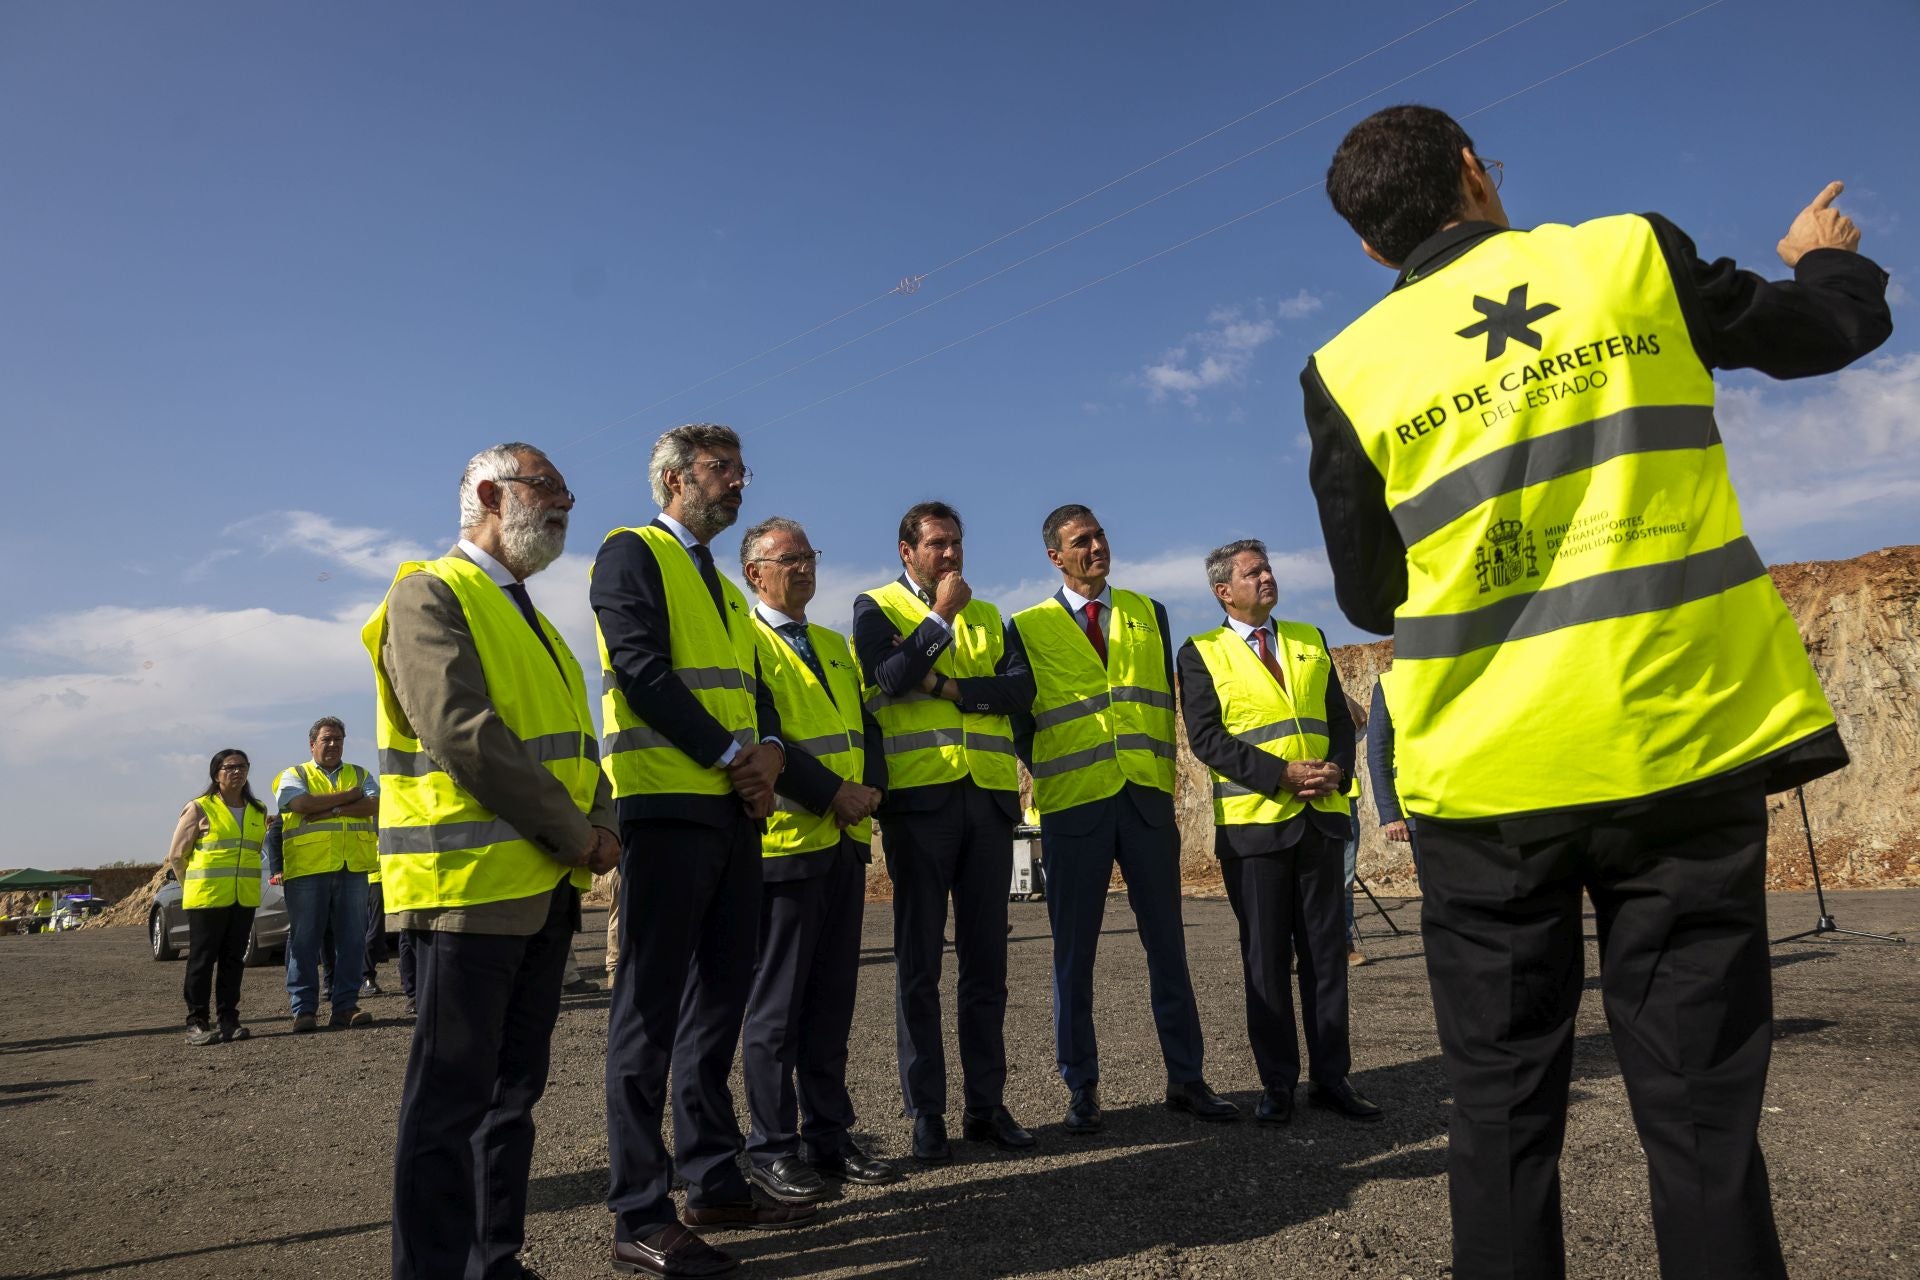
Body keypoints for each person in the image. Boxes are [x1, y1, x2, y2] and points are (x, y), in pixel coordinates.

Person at [1303, 105, 1892, 1279]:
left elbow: (1373, 596)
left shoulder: (1347, 370)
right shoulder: (1629, 253)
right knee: (1700, 1121)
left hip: (1488, 786)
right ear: (1475, 170)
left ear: (1370, 249)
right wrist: (1823, 255)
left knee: (1503, 1121)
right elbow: (1828, 331)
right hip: (1676, 744)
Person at [365, 441, 619, 1280]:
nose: (566, 504)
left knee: (511, 1100)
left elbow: (575, 746)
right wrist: (577, 833)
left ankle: (493, 1261)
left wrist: (602, 817)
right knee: (449, 1104)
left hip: (540, 889)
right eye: (548, 487)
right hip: (467, 893)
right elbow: (461, 732)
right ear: (487, 491)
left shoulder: (530, 615)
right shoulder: (429, 592)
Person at [594, 423, 804, 1279]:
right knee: (648, 1013)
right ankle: (639, 1214)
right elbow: (642, 672)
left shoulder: (716, 583)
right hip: (668, 808)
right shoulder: (629, 552)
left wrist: (771, 762)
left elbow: (749, 697)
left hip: (731, 815)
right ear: (675, 480)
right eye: (724, 470)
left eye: (742, 470)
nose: (739, 483)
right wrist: (731, 759)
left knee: (719, 1002)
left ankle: (712, 1177)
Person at [1005, 504, 1234, 1133]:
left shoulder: (1147, 614)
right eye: (1082, 542)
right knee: (1073, 956)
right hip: (1075, 805)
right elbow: (1023, 725)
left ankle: (1187, 1079)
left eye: (1100, 536)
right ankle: (1081, 1087)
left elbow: (1159, 698)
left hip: (1146, 802)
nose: (1096, 548)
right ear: (1056, 555)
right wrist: (1062, 766)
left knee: (1169, 946)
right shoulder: (1024, 627)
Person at [852, 500, 1034, 1161]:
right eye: (937, 545)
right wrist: (940, 617)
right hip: (919, 806)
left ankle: (986, 1107)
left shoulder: (992, 615)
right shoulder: (875, 609)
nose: (951, 555)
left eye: (956, 543)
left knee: (987, 966)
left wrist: (951, 688)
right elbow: (893, 680)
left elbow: (1019, 693)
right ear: (907, 552)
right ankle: (926, 1111)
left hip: (986, 805)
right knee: (918, 968)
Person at [1176, 540, 1380, 1128]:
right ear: (1224, 591)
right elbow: (1207, 738)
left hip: (1320, 820)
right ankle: (1277, 1084)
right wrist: (1279, 776)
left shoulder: (1308, 637)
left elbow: (1338, 719)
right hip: (1255, 831)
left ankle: (1332, 1079)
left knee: (1326, 957)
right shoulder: (1201, 653)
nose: (1267, 577)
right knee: (1266, 961)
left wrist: (1338, 768)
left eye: (1267, 568)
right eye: (1252, 572)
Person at [736, 515, 899, 1204]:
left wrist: (871, 795)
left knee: (832, 1005)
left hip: (842, 845)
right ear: (755, 574)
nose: (804, 567)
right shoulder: (741, 642)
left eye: (809, 555)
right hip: (785, 848)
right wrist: (833, 793)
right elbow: (763, 735)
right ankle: (771, 1147)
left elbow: (864, 730)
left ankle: (828, 1137)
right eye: (788, 558)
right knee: (777, 1010)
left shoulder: (833, 644)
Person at [273, 717, 378, 1032]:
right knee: (304, 941)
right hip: (308, 870)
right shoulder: (295, 774)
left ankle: (345, 1007)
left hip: (352, 868)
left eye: (339, 739)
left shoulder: (360, 774)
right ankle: (304, 1010)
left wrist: (332, 810)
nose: (333, 745)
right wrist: (349, 797)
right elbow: (300, 803)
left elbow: (374, 804)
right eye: (327, 739)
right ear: (312, 744)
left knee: (353, 941)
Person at [164, 749, 266, 1046]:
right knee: (202, 960)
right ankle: (197, 1022)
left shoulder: (257, 810)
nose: (237, 772)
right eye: (229, 767)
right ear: (216, 774)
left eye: (242, 766)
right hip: (207, 899)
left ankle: (229, 1019)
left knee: (233, 960)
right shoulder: (199, 808)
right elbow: (177, 855)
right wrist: (192, 887)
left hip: (242, 898)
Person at [1364, 677, 1413, 868]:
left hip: (1482, 809)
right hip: (1420, 812)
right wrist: (1391, 814)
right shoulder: (1389, 685)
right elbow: (1378, 756)